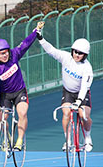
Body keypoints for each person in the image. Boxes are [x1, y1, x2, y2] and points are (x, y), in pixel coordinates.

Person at [36, 22, 93, 152]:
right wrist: (40, 38)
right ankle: (67, 140)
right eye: (75, 52)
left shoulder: (87, 68)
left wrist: (79, 101)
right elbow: (51, 50)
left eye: (81, 53)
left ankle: (88, 138)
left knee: (83, 115)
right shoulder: (66, 57)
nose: (77, 55)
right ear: (72, 50)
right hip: (68, 91)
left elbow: (85, 86)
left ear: (85, 55)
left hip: (81, 94)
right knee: (66, 113)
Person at [0, 22, 44, 151]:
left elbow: (25, 43)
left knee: (22, 113)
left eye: (6, 52)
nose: (5, 55)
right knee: (1, 118)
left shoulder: (14, 54)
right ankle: (7, 138)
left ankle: (19, 140)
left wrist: (36, 31)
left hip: (20, 92)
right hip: (5, 95)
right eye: (1, 53)